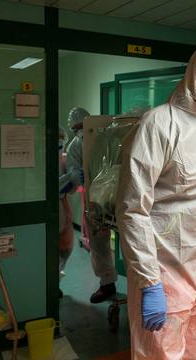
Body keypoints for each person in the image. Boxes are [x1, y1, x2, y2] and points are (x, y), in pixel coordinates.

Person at [116, 42, 196, 360]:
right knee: (160, 353)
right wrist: (149, 282)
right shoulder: (159, 123)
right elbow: (133, 208)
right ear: (193, 72)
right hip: (164, 266)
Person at [65, 107, 119, 303]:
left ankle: (115, 284)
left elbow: (76, 177)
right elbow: (76, 175)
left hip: (107, 198)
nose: (79, 131)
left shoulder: (84, 142)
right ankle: (112, 284)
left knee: (104, 241)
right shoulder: (78, 145)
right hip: (107, 199)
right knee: (102, 242)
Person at [58, 126, 74, 297]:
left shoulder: (64, 159)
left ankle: (57, 276)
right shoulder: (40, 157)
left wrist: (72, 181)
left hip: (63, 205)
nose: (60, 140)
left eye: (62, 137)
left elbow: (70, 190)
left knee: (66, 246)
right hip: (48, 207)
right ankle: (51, 284)